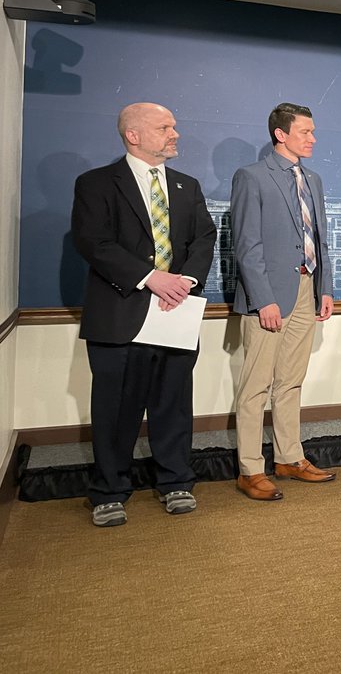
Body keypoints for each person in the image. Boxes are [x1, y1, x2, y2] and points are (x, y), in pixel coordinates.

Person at [71, 102, 216, 526]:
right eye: (165, 127)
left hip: (177, 312)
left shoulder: (187, 186)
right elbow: (94, 242)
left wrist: (185, 281)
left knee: (173, 404)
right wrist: (152, 278)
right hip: (121, 313)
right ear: (133, 135)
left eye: (174, 126)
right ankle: (109, 490)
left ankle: (175, 483)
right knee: (116, 409)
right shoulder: (96, 184)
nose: (176, 133)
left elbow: (204, 237)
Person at [231, 102, 336, 500]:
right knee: (256, 387)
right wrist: (263, 300)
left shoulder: (314, 179)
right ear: (281, 134)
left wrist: (325, 288)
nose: (312, 138)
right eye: (305, 132)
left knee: (291, 383)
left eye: (312, 132)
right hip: (270, 298)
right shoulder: (252, 177)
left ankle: (289, 457)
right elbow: (247, 245)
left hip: (307, 292)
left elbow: (320, 240)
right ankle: (249, 469)